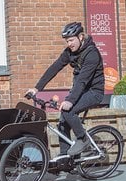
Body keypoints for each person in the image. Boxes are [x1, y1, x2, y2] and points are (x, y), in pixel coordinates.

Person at [26, 22, 105, 156]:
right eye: (67, 41)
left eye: (71, 40)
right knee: (62, 122)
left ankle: (83, 138)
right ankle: (65, 158)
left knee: (69, 111)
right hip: (81, 90)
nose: (69, 44)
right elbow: (54, 68)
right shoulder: (69, 52)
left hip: (94, 92)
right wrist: (36, 88)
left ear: (80, 37)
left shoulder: (92, 54)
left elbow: (82, 80)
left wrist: (70, 100)